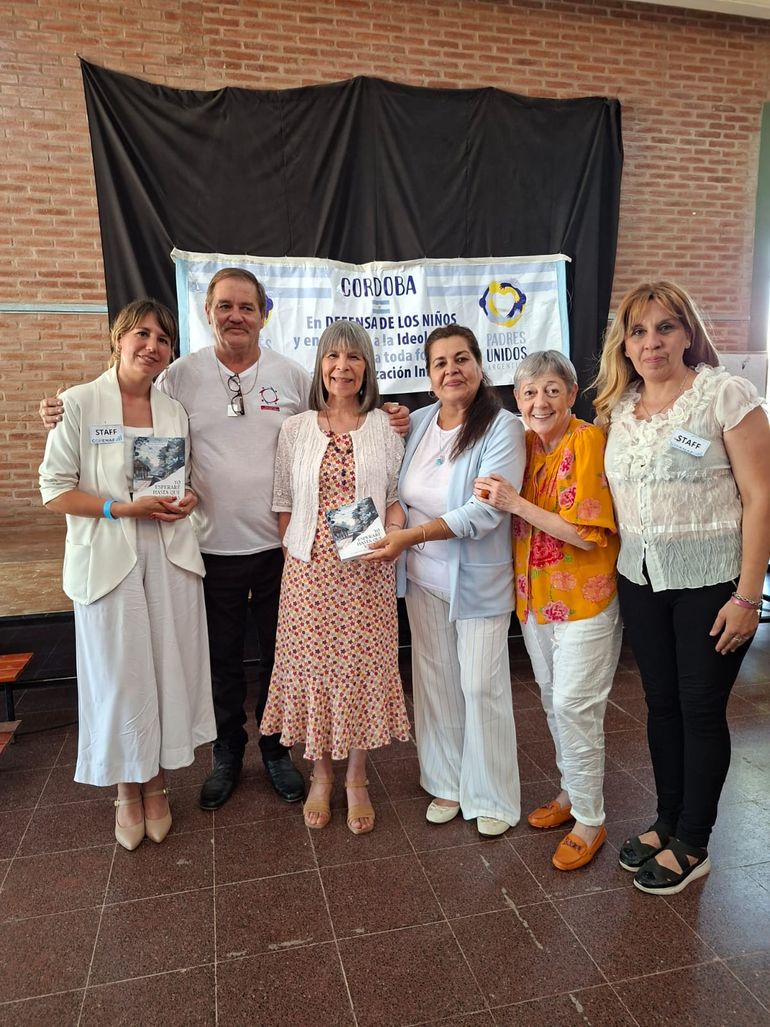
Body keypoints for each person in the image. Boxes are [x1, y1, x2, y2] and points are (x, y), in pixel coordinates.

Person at [40, 268, 410, 812]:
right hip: (208, 547)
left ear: (264, 314)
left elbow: (340, 423)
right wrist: (60, 410)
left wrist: (392, 414)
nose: (235, 316)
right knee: (223, 661)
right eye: (224, 306)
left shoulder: (289, 375)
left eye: (246, 307)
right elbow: (128, 397)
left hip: (287, 548)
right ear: (208, 312)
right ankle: (228, 754)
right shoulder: (178, 376)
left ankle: (279, 752)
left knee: (283, 658)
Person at [593, 280, 770, 895]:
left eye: (665, 327)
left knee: (699, 710)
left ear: (688, 332)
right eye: (638, 331)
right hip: (642, 580)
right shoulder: (621, 407)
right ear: (625, 342)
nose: (651, 342)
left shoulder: (724, 394)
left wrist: (748, 596)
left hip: (712, 583)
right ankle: (668, 819)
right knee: (661, 706)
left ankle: (694, 840)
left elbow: (761, 496)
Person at [38, 299, 216, 850]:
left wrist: (187, 499)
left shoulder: (172, 411)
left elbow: (185, 481)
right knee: (119, 679)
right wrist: (119, 509)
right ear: (119, 339)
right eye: (142, 334)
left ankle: (158, 784)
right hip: (107, 559)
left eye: (163, 339)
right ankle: (125, 789)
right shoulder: (78, 403)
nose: (152, 346)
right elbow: (54, 490)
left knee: (164, 671)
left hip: (168, 555)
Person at [366, 324, 525, 836]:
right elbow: (393, 483)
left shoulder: (503, 428)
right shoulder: (417, 421)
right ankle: (447, 781)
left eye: (462, 359)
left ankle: (494, 795)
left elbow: (485, 512)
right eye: (440, 363)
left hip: (475, 581)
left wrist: (411, 536)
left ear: (479, 366)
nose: (451, 370)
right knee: (435, 682)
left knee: (482, 686)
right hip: (421, 579)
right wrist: (398, 532)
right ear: (429, 376)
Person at [474, 350, 622, 870]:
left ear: (571, 394)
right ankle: (570, 794)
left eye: (552, 390)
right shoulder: (523, 445)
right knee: (555, 702)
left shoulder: (585, 441)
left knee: (576, 707)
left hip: (584, 600)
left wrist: (514, 504)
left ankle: (590, 817)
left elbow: (585, 533)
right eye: (530, 391)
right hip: (535, 601)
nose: (541, 401)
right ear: (517, 398)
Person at [261, 321, 409, 834]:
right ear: (319, 365)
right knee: (316, 671)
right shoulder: (296, 428)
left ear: (367, 367)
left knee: (361, 671)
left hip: (366, 573)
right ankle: (321, 774)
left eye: (353, 358)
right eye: (332, 357)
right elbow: (283, 502)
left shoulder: (386, 428)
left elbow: (393, 500)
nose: (341, 367)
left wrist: (393, 534)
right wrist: (297, 552)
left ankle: (358, 778)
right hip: (309, 576)